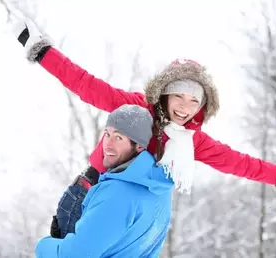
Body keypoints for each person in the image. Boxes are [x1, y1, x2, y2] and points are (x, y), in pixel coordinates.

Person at [13, 18, 276, 238]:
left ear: (202, 106)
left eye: (194, 100)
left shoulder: (193, 141)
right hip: (89, 193)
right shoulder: (137, 108)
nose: (185, 106)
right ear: (165, 93)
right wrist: (42, 51)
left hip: (129, 214)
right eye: (179, 96)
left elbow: (238, 163)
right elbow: (86, 85)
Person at [35, 104, 174, 258]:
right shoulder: (160, 187)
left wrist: (45, 245)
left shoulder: (116, 194)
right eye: (107, 134)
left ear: (139, 146)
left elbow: (72, 255)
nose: (108, 144)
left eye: (118, 137)